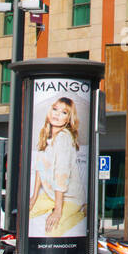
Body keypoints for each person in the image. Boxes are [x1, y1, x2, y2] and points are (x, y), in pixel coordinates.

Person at [28, 97, 87, 237]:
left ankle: (81, 214)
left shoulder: (63, 138)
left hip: (70, 197)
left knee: (52, 231)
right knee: (26, 214)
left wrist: (58, 210)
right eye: (55, 109)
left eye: (64, 112)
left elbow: (61, 175)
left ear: (68, 119)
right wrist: (34, 196)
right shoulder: (46, 136)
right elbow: (39, 168)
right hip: (51, 195)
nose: (57, 114)